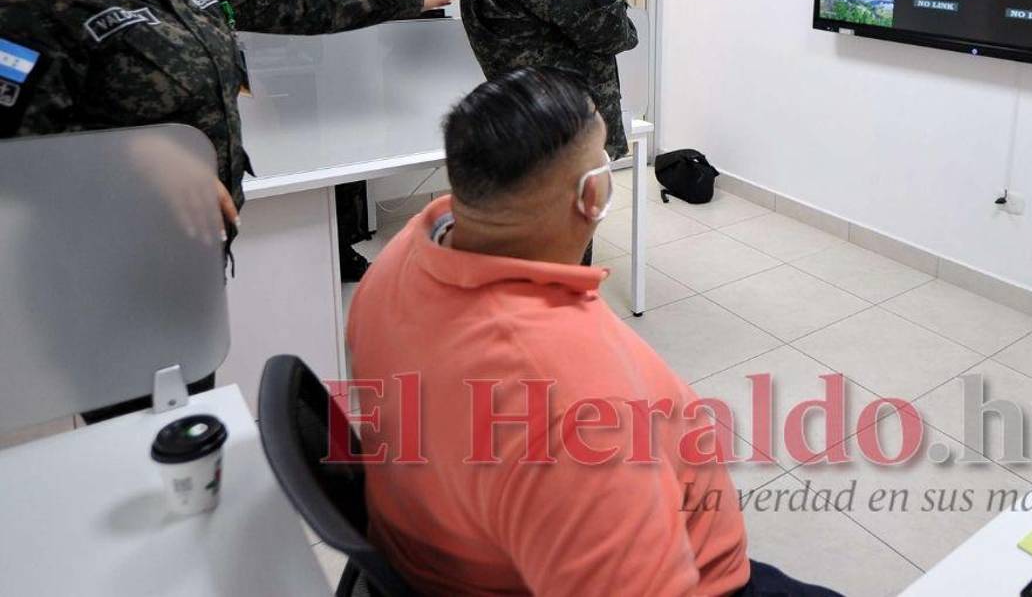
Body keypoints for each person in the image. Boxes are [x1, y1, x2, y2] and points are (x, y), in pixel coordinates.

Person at [0, 0, 453, 420]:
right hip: (107, 273)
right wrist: (134, 156)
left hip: (194, 246)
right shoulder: (31, 4)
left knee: (189, 405)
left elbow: (312, 4)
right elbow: (17, 167)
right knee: (140, 434)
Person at [347, 67, 842, 597]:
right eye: (604, 159)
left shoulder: (402, 257)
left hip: (450, 549)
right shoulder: (570, 412)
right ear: (592, 196)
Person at [224, 0, 463, 282]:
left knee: (349, 158)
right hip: (290, 78)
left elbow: (353, 0)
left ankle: (345, 246)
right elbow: (253, 19)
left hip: (346, 71)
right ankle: (311, 253)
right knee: (306, 164)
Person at [460, 0, 638, 265]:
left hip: (529, 125)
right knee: (561, 260)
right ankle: (563, 331)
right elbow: (616, 31)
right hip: (557, 135)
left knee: (538, 251)